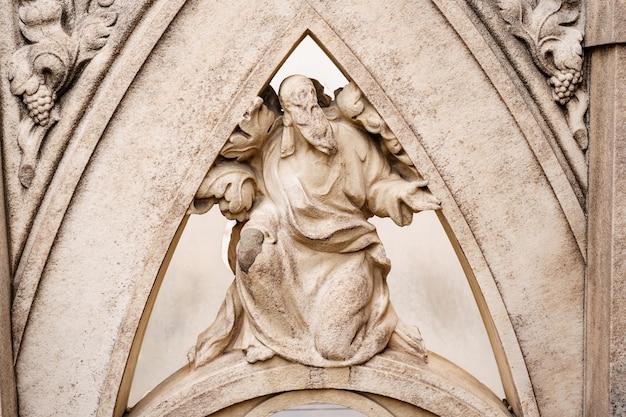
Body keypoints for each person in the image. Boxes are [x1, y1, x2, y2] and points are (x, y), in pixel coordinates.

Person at [192, 75, 439, 368]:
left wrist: (401, 193)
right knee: (256, 261)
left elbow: (375, 188)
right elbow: (270, 205)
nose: (309, 115)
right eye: (297, 107)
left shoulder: (350, 139)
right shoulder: (274, 154)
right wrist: (257, 229)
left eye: (310, 103)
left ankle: (384, 326)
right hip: (291, 256)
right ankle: (274, 340)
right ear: (287, 116)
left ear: (318, 102)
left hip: (347, 256)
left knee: (334, 348)